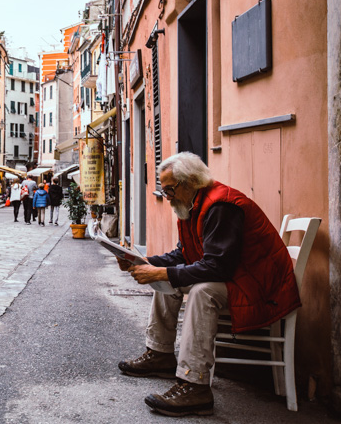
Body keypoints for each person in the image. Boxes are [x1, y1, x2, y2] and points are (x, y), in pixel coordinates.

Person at [117, 152, 300, 417]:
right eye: (164, 190)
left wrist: (161, 272)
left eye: (169, 190)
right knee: (167, 277)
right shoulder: (193, 205)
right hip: (240, 277)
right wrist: (144, 262)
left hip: (262, 287)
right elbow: (184, 255)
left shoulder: (221, 206)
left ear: (190, 182)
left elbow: (218, 267)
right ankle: (160, 354)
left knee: (201, 291)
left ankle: (195, 386)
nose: (166, 197)